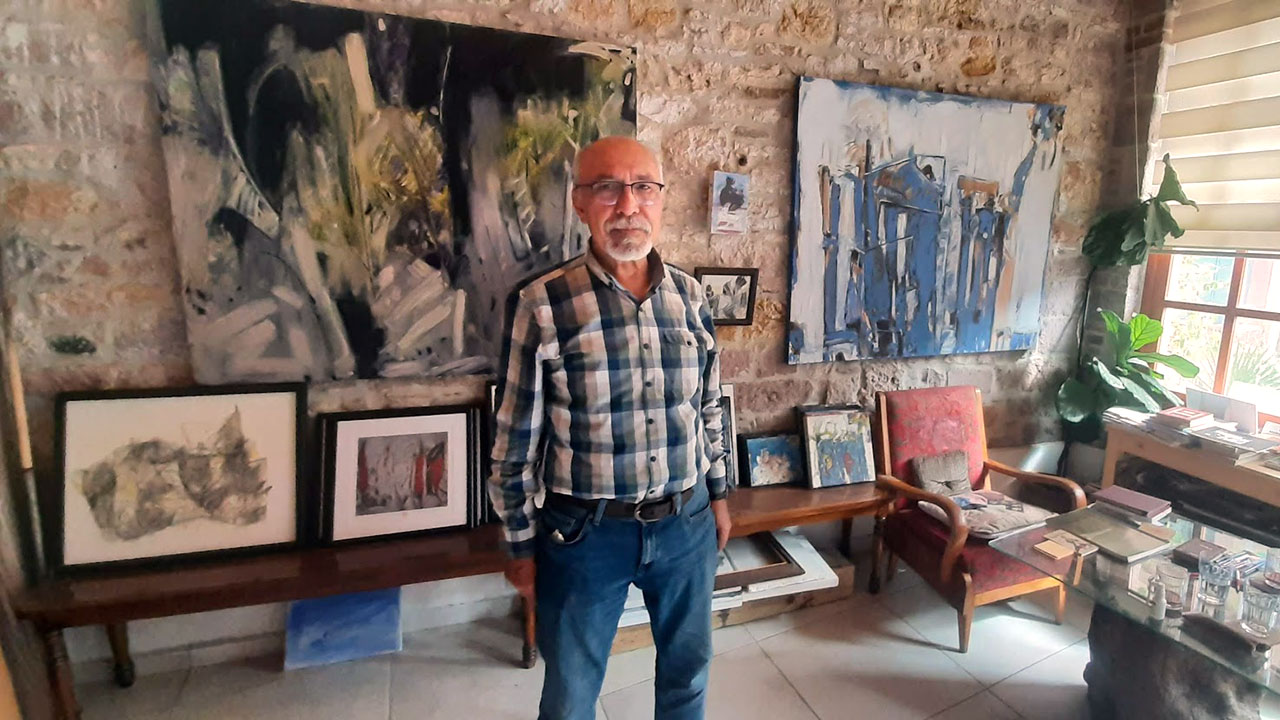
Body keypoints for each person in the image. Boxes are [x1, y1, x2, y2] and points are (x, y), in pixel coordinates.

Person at [489, 136, 732, 720]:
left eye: (643, 187)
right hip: (585, 536)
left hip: (687, 523)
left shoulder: (691, 296)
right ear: (580, 203)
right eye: (607, 188)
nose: (628, 205)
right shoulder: (542, 304)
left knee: (688, 674)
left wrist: (720, 495)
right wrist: (519, 545)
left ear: (661, 199)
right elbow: (514, 442)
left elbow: (709, 406)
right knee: (572, 692)